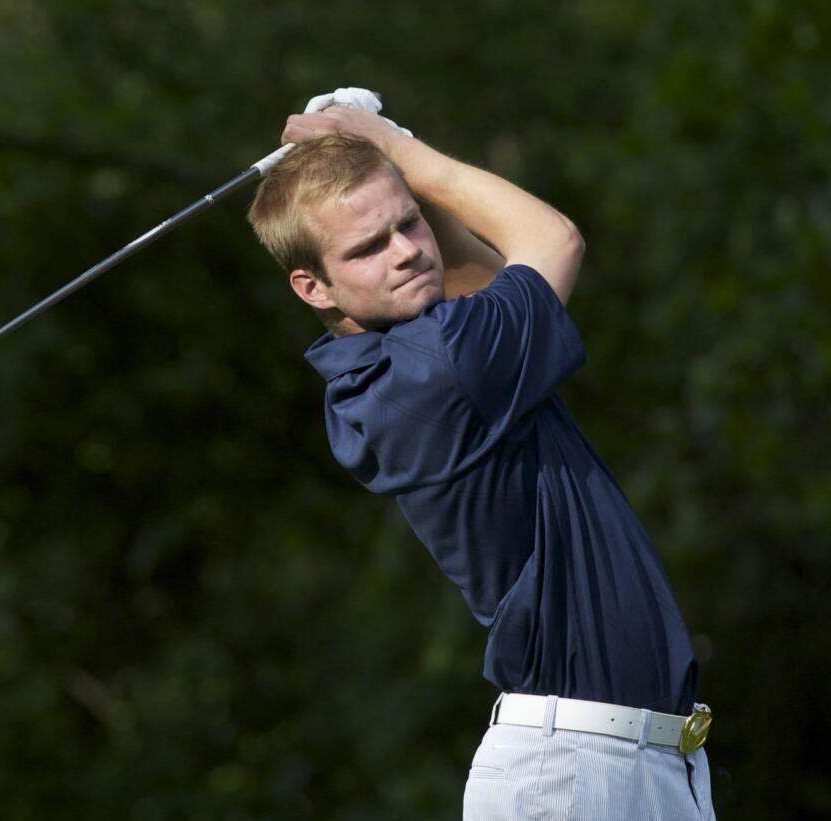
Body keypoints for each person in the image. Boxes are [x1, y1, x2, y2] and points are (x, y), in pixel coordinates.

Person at [248, 91, 716, 821]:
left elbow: (484, 282)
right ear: (311, 286)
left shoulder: (401, 366)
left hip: (633, 766)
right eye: (368, 247)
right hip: (574, 775)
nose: (405, 248)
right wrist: (401, 150)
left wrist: (386, 154)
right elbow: (552, 239)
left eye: (408, 223)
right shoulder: (442, 369)